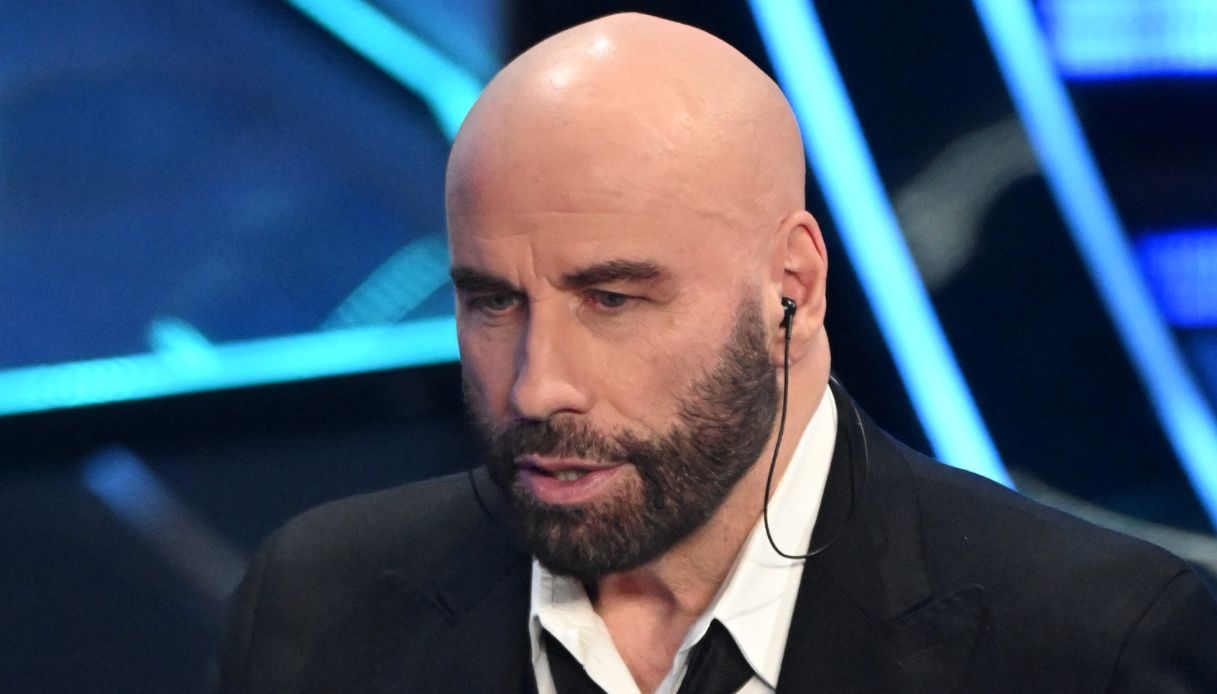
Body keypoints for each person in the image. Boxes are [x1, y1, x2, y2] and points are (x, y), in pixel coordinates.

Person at [213, 12, 1217, 693]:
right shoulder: (319, 606)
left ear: (792, 286)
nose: (537, 384)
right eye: (492, 302)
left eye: (612, 299)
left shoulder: (1088, 643)